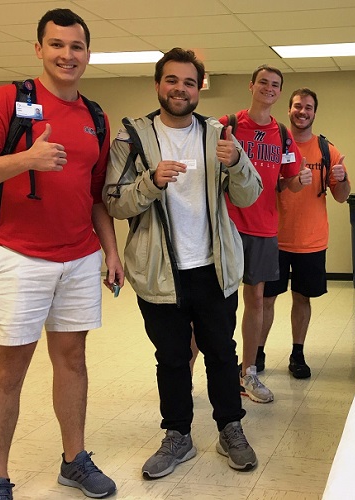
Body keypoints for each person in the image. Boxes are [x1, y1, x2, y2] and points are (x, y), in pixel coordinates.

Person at [0, 8, 123, 500]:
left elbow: (95, 195)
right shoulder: (7, 99)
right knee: (9, 369)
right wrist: (26, 159)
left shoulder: (95, 116)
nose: (67, 55)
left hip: (80, 257)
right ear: (38, 49)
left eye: (76, 47)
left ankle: (74, 460)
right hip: (18, 258)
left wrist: (111, 252)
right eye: (57, 45)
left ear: (88, 54)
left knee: (73, 360)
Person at [103, 47, 262, 478]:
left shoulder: (219, 134)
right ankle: (178, 437)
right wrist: (151, 182)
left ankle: (231, 428)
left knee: (222, 354)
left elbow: (250, 195)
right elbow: (114, 202)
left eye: (189, 82)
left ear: (199, 89)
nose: (180, 89)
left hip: (214, 268)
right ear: (158, 85)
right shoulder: (131, 138)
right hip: (158, 271)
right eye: (172, 80)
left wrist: (240, 161)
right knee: (171, 358)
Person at [221, 65, 311, 403]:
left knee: (256, 300)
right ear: (251, 86)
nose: (269, 89)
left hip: (263, 227)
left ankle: (248, 373)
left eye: (275, 85)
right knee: (217, 304)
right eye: (264, 83)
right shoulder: (227, 125)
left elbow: (287, 180)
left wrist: (297, 182)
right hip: (227, 225)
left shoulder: (283, 135)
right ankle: (201, 371)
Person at [261, 88, 351, 379]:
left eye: (308, 107)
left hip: (310, 241)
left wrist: (342, 178)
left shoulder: (327, 150)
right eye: (298, 106)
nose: (303, 112)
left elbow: (341, 196)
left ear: (315, 112)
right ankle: (256, 353)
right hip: (272, 238)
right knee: (265, 299)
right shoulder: (274, 145)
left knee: (302, 298)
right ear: (289, 110)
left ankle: (297, 354)